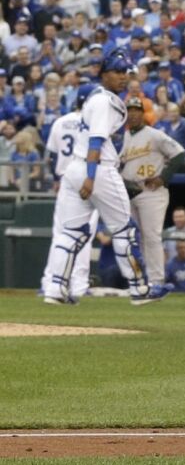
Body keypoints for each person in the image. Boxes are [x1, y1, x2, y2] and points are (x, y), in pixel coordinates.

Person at [44, 52, 169, 305]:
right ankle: (139, 289)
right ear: (103, 74)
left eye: (126, 72)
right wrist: (91, 177)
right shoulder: (106, 101)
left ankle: (56, 289)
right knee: (126, 230)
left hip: (73, 170)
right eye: (117, 71)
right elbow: (96, 140)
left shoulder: (93, 97)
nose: (123, 77)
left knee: (72, 232)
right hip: (96, 168)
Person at [119, 96, 185, 286]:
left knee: (151, 236)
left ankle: (156, 280)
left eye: (136, 110)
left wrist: (163, 178)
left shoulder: (154, 134)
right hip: (129, 191)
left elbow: (180, 154)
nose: (133, 114)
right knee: (135, 238)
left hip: (151, 191)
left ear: (143, 113)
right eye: (129, 110)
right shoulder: (122, 137)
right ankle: (140, 280)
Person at [40, 87, 96, 304]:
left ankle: (50, 282)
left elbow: (52, 156)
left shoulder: (60, 121)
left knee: (60, 233)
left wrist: (56, 178)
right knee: (83, 235)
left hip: (65, 179)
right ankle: (78, 285)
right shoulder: (93, 122)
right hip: (85, 179)